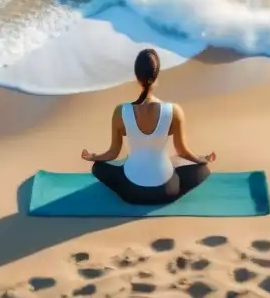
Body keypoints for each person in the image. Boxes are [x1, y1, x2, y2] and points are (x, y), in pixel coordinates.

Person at [81, 48, 216, 205]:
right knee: (203, 169)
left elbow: (113, 153)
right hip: (167, 190)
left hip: (131, 192)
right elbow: (182, 152)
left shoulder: (121, 111)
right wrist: (201, 159)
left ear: (137, 77)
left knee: (98, 168)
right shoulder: (174, 111)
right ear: (157, 75)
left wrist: (93, 157)